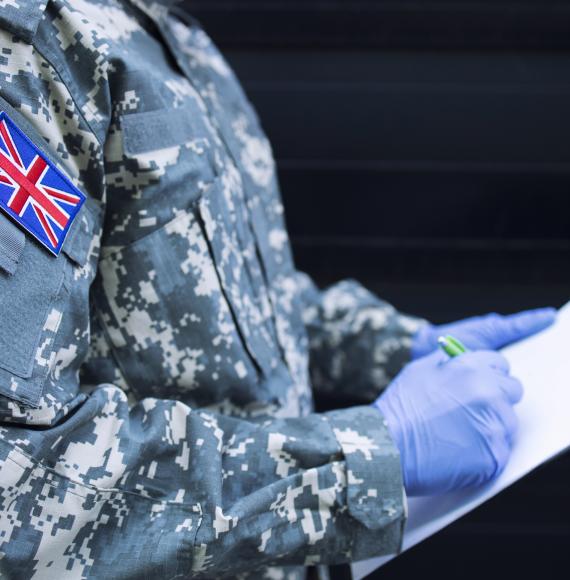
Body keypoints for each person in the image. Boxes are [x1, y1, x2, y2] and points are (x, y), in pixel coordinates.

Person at [0, 1, 556, 578]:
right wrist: (367, 456)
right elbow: (14, 484)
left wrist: (389, 346)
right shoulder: (30, 51)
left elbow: (212, 284)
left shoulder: (163, 31)